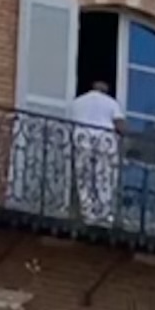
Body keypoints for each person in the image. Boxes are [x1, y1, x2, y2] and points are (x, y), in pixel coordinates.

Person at [68, 74, 124, 225]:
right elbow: (120, 125)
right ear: (103, 87)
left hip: (82, 140)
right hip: (104, 142)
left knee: (84, 177)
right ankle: (104, 213)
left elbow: (71, 123)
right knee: (103, 177)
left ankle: (87, 212)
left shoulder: (77, 102)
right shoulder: (111, 102)